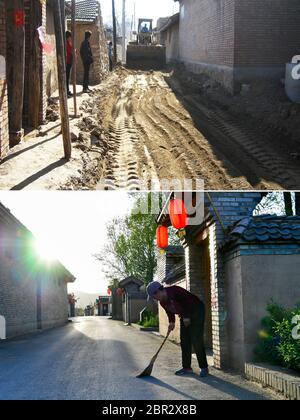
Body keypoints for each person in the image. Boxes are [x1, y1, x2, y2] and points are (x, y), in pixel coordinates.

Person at [147, 281, 209, 378]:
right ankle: (187, 367)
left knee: (196, 339)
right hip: (184, 315)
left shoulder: (175, 291)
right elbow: (169, 312)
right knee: (184, 340)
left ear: (158, 291)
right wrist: (171, 322)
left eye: (154, 296)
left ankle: (204, 367)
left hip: (196, 310)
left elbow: (188, 302)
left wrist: (187, 316)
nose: (154, 299)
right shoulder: (162, 302)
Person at [66, 31, 73, 98]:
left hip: (69, 62)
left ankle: (67, 90)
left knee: (68, 78)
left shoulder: (68, 43)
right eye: (70, 37)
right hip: (67, 62)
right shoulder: (66, 43)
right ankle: (66, 91)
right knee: (66, 78)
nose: (70, 38)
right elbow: (69, 52)